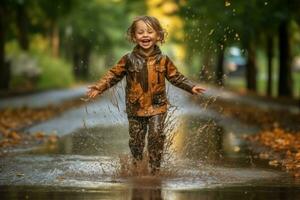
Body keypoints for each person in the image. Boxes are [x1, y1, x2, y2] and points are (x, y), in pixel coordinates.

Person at [86, 16, 205, 175]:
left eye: (150, 32)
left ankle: (155, 169)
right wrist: (99, 87)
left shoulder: (163, 60)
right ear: (134, 37)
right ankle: (136, 166)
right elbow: (113, 75)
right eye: (140, 32)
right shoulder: (128, 59)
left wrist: (192, 87)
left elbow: (176, 77)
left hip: (157, 106)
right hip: (135, 108)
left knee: (156, 136)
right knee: (136, 142)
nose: (145, 35)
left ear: (158, 36)